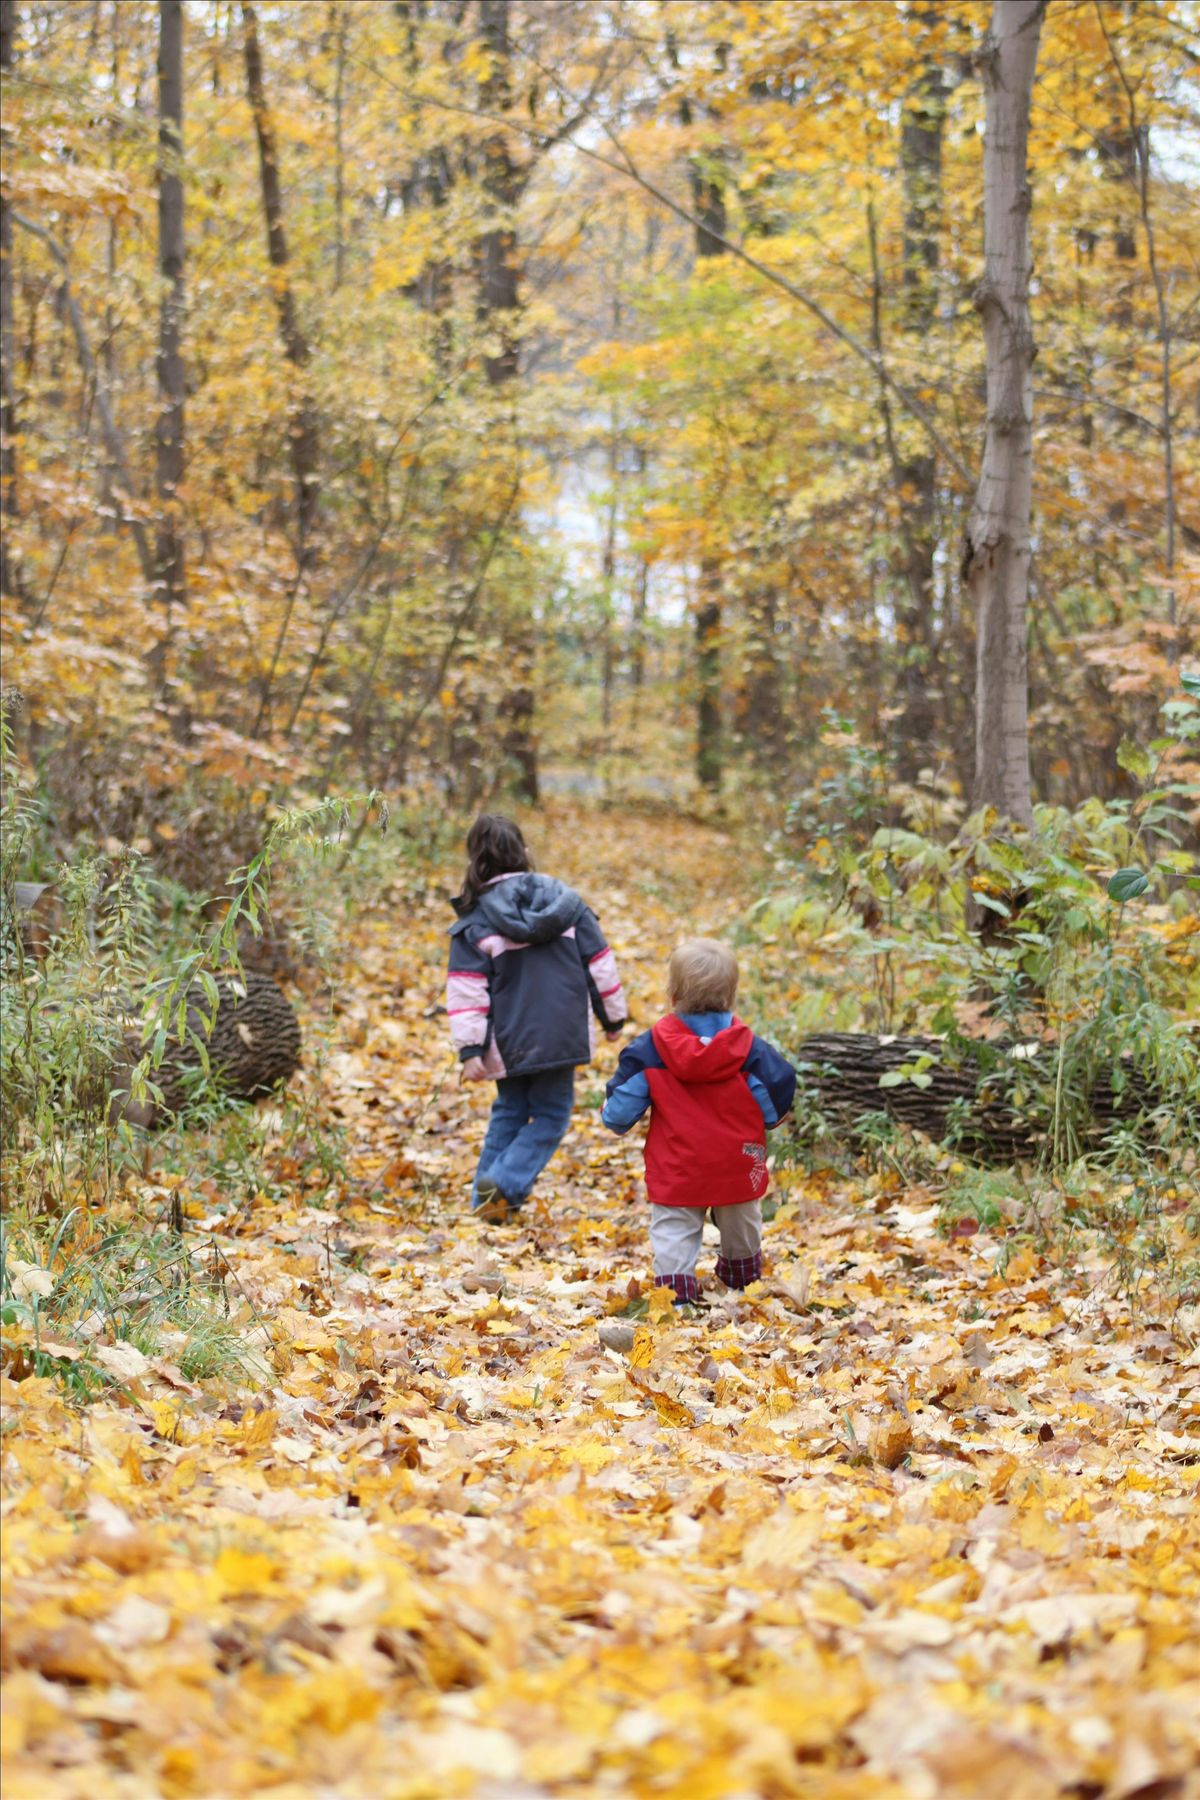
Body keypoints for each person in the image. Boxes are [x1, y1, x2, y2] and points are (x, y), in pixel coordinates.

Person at [447, 814, 627, 1220]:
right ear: (525, 853)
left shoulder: (476, 923)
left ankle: (487, 1202)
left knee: (510, 1111)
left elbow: (466, 991)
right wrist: (613, 1018)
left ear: (476, 861)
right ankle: (506, 1184)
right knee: (550, 1114)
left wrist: (471, 1048)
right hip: (560, 1035)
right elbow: (600, 965)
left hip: (508, 1042)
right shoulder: (567, 907)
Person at [601, 937, 795, 1302]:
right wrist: (773, 1118)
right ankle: (742, 1283)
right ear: (731, 996)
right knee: (742, 1222)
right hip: (737, 1162)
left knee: (674, 1229)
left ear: (672, 995)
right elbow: (774, 1101)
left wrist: (612, 1116)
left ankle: (676, 1295)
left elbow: (620, 1111)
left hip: (677, 1165)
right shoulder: (749, 1050)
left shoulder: (650, 1051)